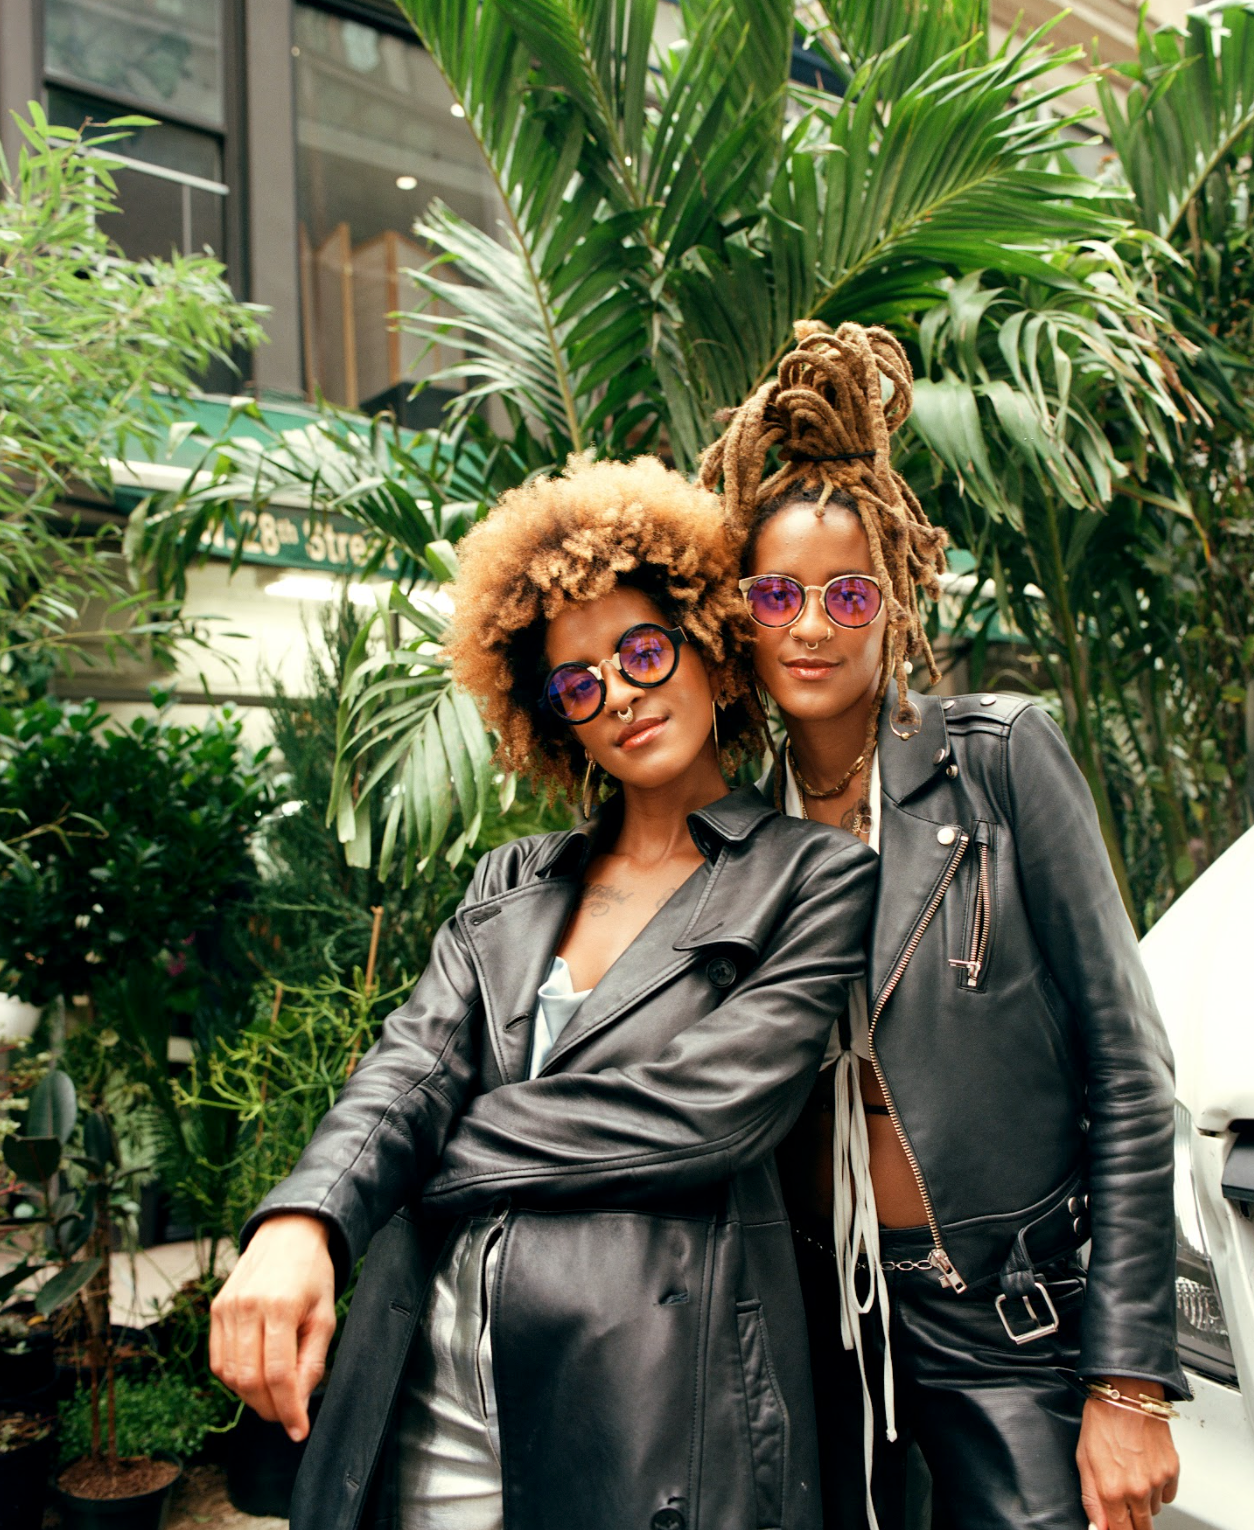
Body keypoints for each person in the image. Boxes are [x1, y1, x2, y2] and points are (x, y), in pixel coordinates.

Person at [209, 455, 878, 1530]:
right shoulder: (513, 882)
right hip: (427, 1382)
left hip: (645, 1398)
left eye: (643, 650)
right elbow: (410, 1066)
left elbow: (702, 1112)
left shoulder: (810, 875)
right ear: (554, 716)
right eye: (579, 683)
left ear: (708, 646)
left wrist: (434, 1159)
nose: (619, 693)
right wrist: (306, 1219)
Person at [698, 322, 1187, 1530]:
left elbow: (1130, 1075)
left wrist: (1128, 1377)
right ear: (743, 614)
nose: (811, 624)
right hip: (816, 1327)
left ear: (894, 597)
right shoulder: (731, 828)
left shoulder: (1001, 761)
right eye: (778, 594)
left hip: (1004, 1318)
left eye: (846, 591)